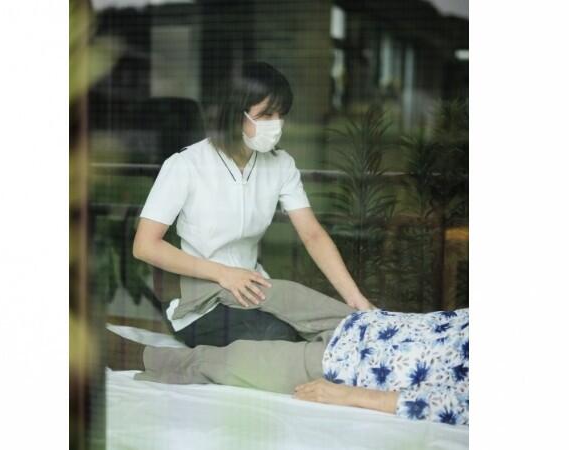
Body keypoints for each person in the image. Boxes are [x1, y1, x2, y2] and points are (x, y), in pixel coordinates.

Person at [132, 60, 376, 350]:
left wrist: (355, 298)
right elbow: (145, 246)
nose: (277, 124)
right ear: (236, 114)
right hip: (202, 303)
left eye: (281, 115)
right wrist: (223, 273)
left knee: (332, 328)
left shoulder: (281, 164)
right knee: (277, 337)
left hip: (255, 291)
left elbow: (312, 235)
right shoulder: (186, 165)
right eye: (266, 115)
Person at [107, 289, 469, 426]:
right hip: (364, 324)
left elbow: (448, 406)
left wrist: (347, 395)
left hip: (349, 369)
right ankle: (177, 310)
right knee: (261, 288)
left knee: (235, 360)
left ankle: (134, 355)